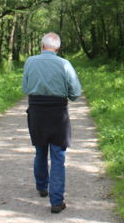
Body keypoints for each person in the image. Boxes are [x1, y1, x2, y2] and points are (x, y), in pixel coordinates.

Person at [22, 32, 82, 213]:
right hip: (58, 113)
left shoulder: (30, 62)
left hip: (37, 111)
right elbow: (75, 93)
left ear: (42, 46)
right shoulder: (64, 64)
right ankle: (56, 201)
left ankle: (42, 187)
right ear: (57, 48)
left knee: (40, 150)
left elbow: (25, 88)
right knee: (58, 156)